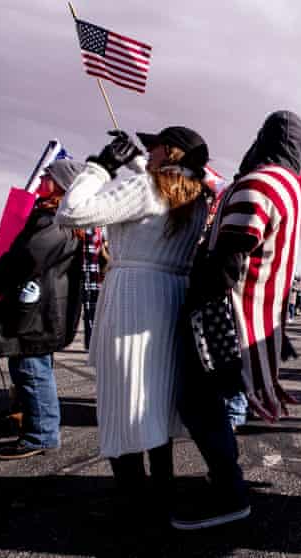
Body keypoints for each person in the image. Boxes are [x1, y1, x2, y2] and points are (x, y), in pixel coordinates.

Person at [56, 127, 210, 518]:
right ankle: (161, 490)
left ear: (170, 151)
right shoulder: (194, 191)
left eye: (154, 145)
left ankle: (130, 500)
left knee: (122, 398)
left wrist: (99, 167)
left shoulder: (148, 187)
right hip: (169, 294)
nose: (148, 149)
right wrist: (134, 162)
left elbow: (71, 212)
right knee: (154, 398)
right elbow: (154, 189)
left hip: (134, 295)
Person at [173, 110, 301, 529]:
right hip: (255, 318)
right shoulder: (292, 187)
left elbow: (230, 256)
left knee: (198, 402)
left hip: (226, 314)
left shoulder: (259, 183)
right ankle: (224, 479)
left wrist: (195, 298)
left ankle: (229, 492)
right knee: (212, 402)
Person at [0, 160, 84, 460]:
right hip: (38, 306)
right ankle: (35, 424)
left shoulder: (56, 221)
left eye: (49, 175)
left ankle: (41, 434)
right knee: (30, 368)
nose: (42, 177)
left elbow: (24, 259)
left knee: (31, 370)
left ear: (61, 184)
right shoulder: (54, 217)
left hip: (36, 308)